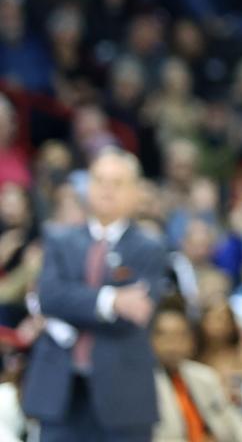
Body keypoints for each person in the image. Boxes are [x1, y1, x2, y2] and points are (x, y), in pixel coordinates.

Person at [21, 148, 168, 441]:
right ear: (87, 186)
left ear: (136, 192)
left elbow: (135, 315)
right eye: (99, 180)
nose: (107, 190)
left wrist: (71, 305)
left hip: (123, 395)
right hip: (61, 389)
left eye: (118, 183)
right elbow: (49, 297)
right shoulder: (59, 239)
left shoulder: (151, 247)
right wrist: (110, 301)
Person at [151, 302, 242, 442]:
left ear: (191, 340)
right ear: (152, 340)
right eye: (165, 336)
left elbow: (237, 424)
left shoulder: (204, 376)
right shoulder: (142, 384)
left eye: (180, 335)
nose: (173, 344)